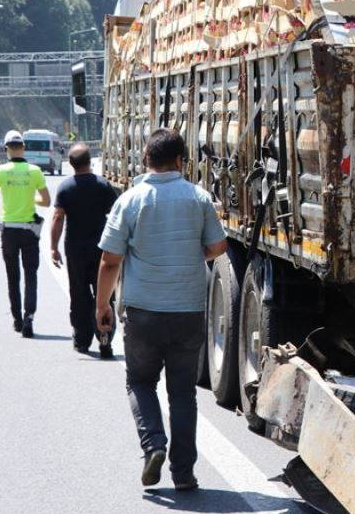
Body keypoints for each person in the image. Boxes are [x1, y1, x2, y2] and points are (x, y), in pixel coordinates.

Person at [96, 128, 227, 490]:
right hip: (187, 311)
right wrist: (191, 255)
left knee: (140, 381)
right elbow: (218, 246)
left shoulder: (131, 200)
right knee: (183, 393)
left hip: (143, 312)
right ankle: (183, 473)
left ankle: (154, 444)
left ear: (145, 160)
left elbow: (110, 261)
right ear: (181, 161)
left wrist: (102, 305)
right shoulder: (198, 198)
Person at [50, 143, 118, 357]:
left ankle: (81, 339)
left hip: (76, 250)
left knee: (79, 295)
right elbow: (115, 216)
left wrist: (53, 247)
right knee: (104, 295)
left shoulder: (65, 188)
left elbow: (58, 217)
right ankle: (105, 335)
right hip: (101, 249)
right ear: (90, 161)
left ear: (70, 164)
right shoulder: (104, 185)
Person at [0, 129, 50, 337]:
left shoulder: (0, 171)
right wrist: (31, 200)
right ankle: (29, 316)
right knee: (31, 276)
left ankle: (17, 320)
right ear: (23, 147)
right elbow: (46, 201)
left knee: (13, 277)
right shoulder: (35, 171)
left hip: (9, 231)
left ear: (6, 149)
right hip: (29, 230)